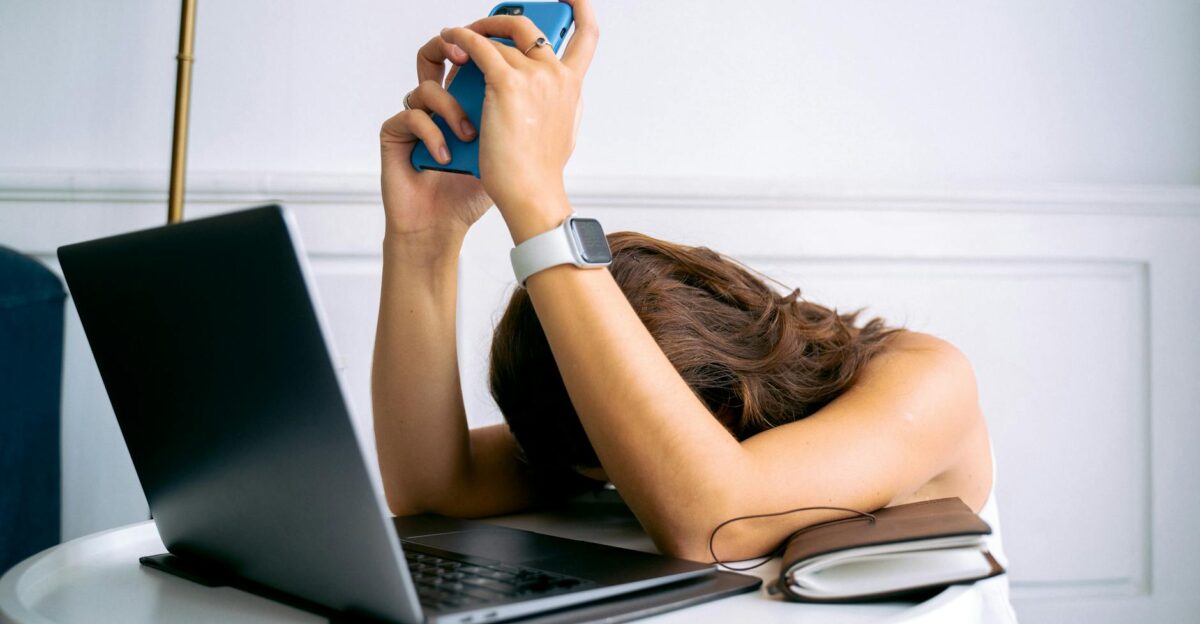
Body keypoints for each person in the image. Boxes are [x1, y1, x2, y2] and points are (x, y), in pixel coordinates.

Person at [372, 0, 997, 568]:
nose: (614, 472)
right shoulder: (603, 426)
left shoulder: (927, 377)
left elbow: (718, 522)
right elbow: (435, 488)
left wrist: (537, 199)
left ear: (730, 397)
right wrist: (425, 240)